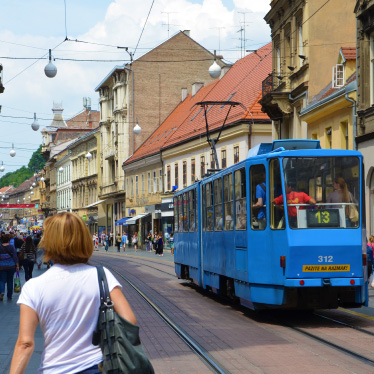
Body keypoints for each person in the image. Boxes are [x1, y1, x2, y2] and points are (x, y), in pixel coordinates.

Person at [10, 212, 137, 374]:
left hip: (54, 369)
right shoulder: (102, 276)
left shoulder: (34, 286)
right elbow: (130, 321)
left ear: (48, 242)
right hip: (96, 367)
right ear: (83, 239)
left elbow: (25, 344)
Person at [0, 233, 19, 301]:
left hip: (1, 267)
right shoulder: (11, 247)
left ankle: (1, 292)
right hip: (11, 266)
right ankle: (9, 295)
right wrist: (17, 265)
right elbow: (15, 256)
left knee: (2, 280)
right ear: (8, 240)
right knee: (10, 280)